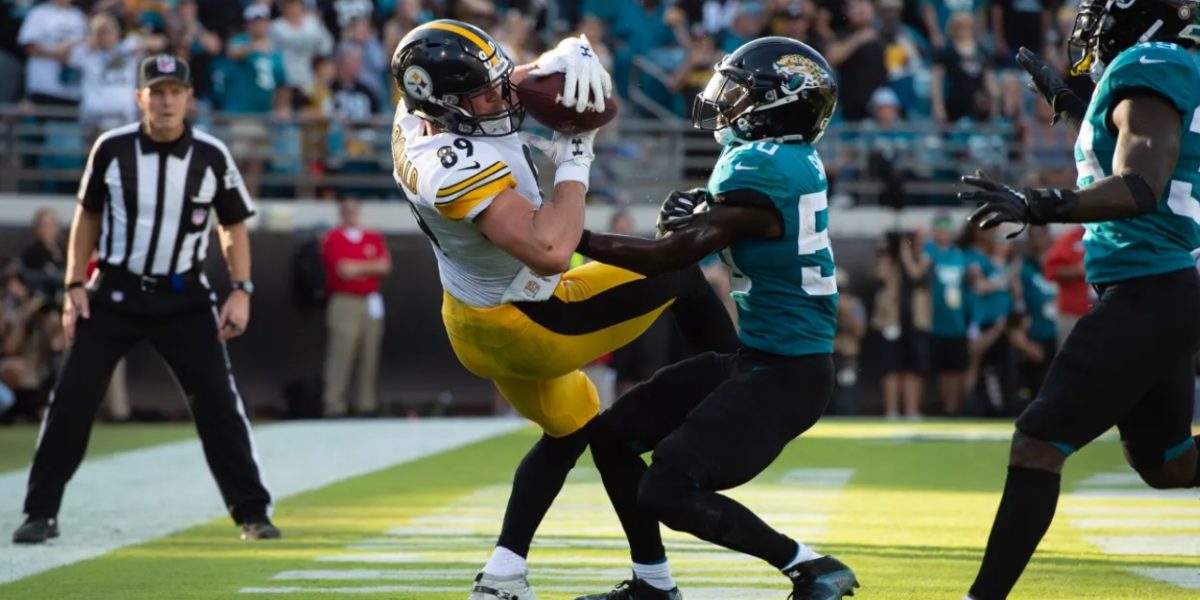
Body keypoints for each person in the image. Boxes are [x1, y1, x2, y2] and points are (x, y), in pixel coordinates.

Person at [389, 21, 737, 600]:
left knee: (576, 425)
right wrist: (577, 155)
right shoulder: (447, 166)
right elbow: (552, 252)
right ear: (446, 107)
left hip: (471, 319)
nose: (503, 98)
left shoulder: (417, 113)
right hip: (527, 319)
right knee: (675, 269)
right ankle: (742, 381)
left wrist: (557, 56)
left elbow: (506, 85)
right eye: (485, 94)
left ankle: (511, 574)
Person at [571, 38, 859, 600]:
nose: (725, 100)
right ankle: (653, 586)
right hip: (758, 359)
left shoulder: (761, 168)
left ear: (777, 104)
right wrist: (699, 208)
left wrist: (573, 240)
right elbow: (720, 224)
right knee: (612, 436)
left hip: (786, 374)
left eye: (740, 91)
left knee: (667, 488)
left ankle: (808, 565)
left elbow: (670, 257)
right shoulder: (784, 162)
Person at [957, 1, 1200, 596]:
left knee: (1039, 441)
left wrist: (1040, 204)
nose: (1086, 31)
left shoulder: (1150, 61)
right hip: (1159, 286)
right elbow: (1121, 147)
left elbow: (1139, 184)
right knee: (1168, 464)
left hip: (1152, 285)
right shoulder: (1157, 68)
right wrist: (1073, 106)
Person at [10, 55, 280, 545]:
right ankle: (40, 512)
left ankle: (252, 513)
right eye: (156, 92)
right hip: (114, 291)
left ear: (189, 98)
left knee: (219, 404)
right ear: (140, 98)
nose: (166, 101)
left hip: (184, 296)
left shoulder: (212, 154)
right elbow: (86, 217)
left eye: (175, 91)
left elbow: (233, 227)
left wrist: (241, 290)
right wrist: (74, 287)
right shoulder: (111, 149)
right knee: (71, 399)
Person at [321, 198, 390, 417]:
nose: (351, 215)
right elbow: (344, 270)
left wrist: (358, 267)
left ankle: (366, 405)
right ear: (341, 214)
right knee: (342, 352)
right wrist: (371, 267)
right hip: (345, 301)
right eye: (347, 211)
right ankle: (334, 404)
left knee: (370, 353)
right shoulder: (333, 238)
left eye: (354, 211)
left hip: (370, 301)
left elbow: (385, 266)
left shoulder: (373, 237)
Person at [925, 213, 970, 416]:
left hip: (956, 321)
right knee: (931, 369)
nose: (943, 233)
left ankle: (952, 409)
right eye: (940, 229)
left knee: (954, 369)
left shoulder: (959, 255)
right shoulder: (928, 252)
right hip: (932, 321)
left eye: (947, 229)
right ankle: (933, 406)